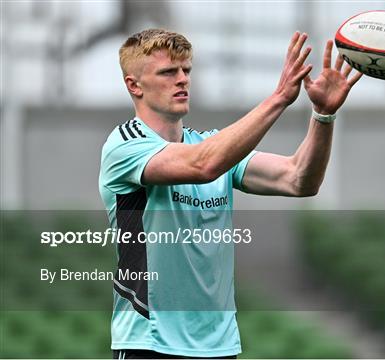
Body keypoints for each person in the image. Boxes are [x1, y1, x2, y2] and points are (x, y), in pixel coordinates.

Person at [99, 28, 362, 359]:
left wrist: (323, 116)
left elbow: (299, 179)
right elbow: (203, 165)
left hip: (219, 347)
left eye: (186, 70)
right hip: (151, 344)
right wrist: (279, 97)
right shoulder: (124, 145)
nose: (182, 80)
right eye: (168, 72)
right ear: (134, 85)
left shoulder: (210, 144)